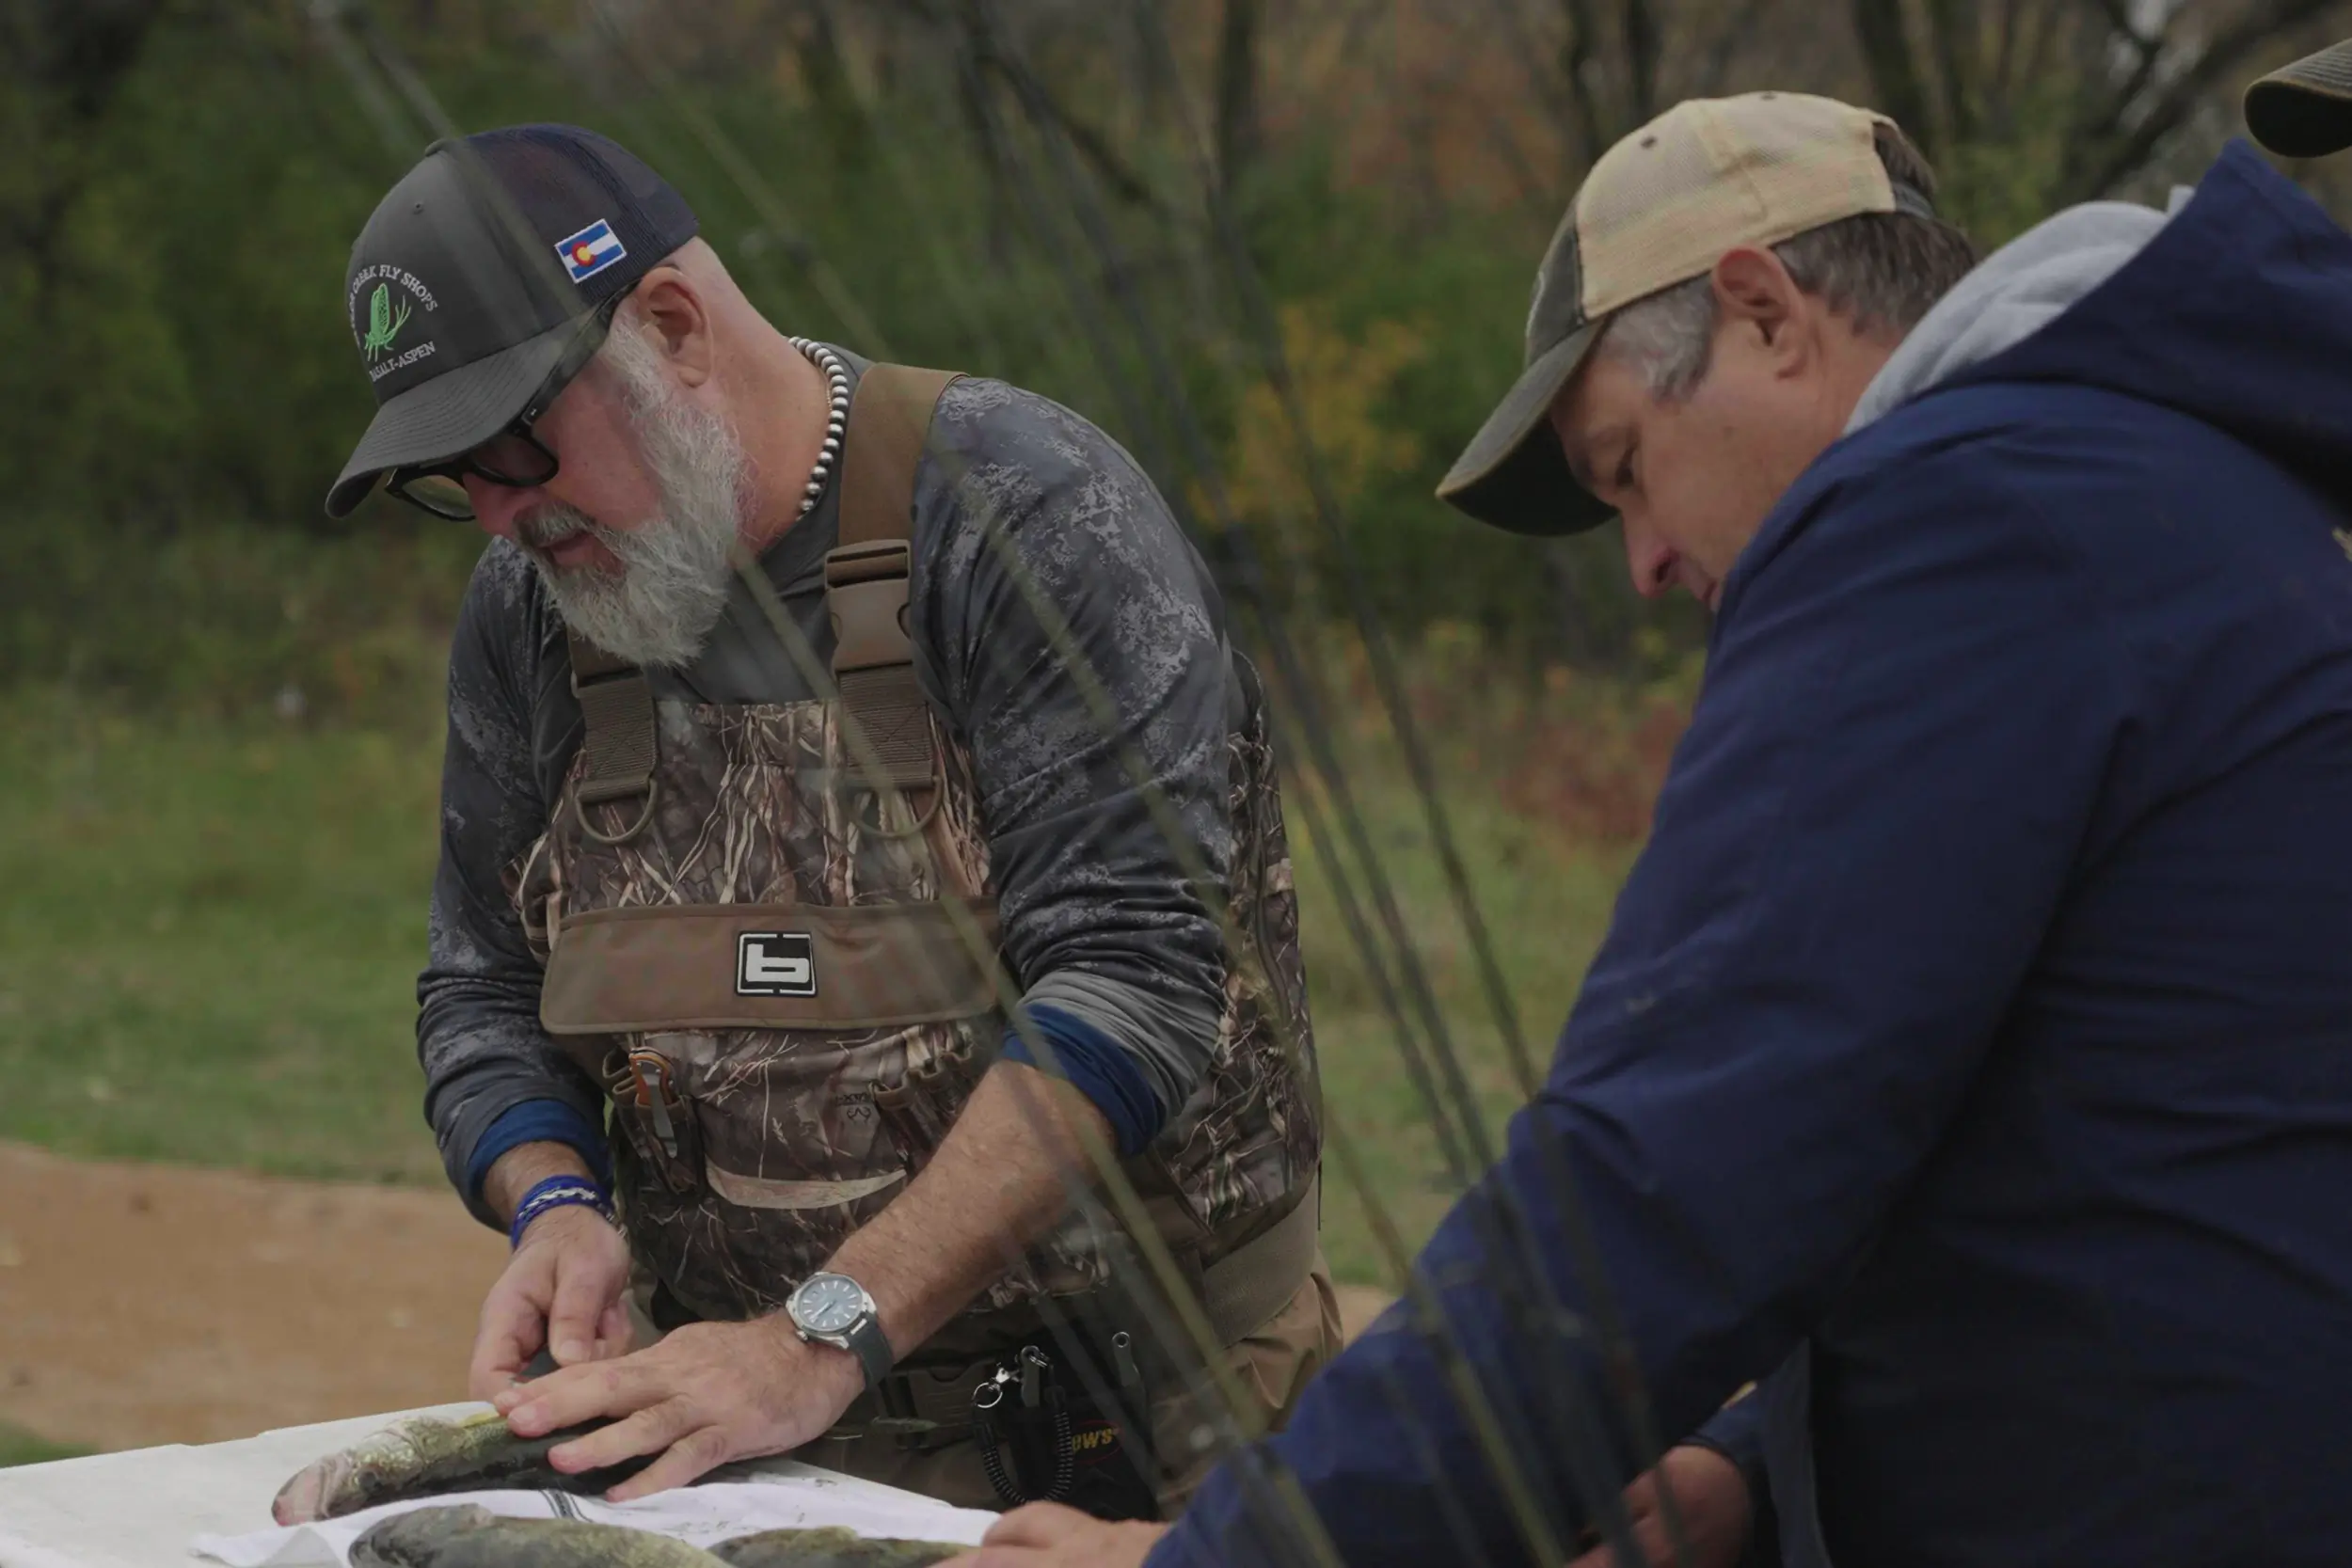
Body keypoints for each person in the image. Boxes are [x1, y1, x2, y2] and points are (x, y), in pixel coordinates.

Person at [954, 87, 2352, 1568]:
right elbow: (2074, 1133)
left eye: (1626, 466)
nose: (1642, 564)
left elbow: (1665, 1178)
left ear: (1764, 313)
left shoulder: (1959, 521)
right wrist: (1750, 1467)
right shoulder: (2152, 491)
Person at [325, 123, 1339, 1515]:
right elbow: (484, 982)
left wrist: (821, 1333)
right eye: (456, 481)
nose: (502, 517)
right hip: (745, 1451)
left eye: (514, 444)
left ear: (673, 326)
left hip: (1160, 1438)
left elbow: (1139, 979)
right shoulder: (533, 614)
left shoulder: (1023, 517)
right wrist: (553, 1201)